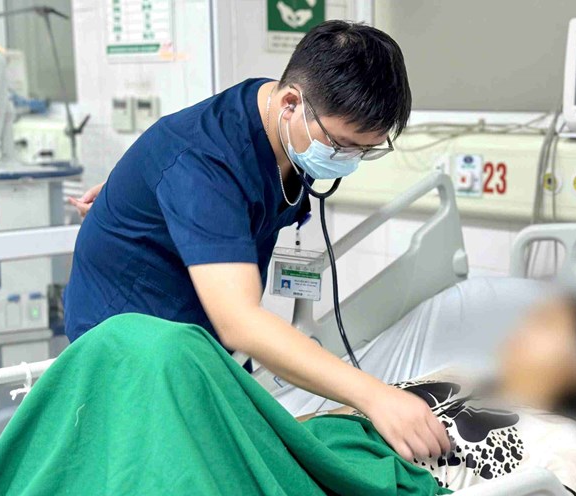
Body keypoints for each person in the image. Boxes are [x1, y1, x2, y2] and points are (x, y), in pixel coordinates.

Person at [64, 20, 450, 462]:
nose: (349, 161)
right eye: (343, 145)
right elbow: (240, 321)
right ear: (291, 103)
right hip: (129, 342)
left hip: (201, 338)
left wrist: (134, 192)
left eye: (365, 150)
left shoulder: (287, 131)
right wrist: (375, 396)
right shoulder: (204, 163)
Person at [305, 294, 576, 495]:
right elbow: (350, 414)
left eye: (546, 325)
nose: (522, 327)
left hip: (383, 475)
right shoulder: (458, 374)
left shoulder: (568, 437)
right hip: (318, 444)